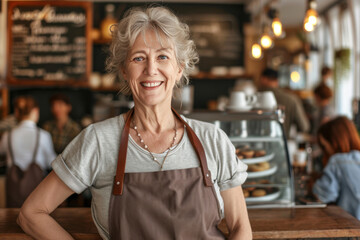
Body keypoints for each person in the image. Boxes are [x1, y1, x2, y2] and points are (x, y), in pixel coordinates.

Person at [17, 6, 252, 239]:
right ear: (125, 71)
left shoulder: (212, 139)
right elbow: (31, 214)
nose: (151, 69)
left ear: (179, 68)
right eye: (139, 58)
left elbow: (241, 227)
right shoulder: (98, 141)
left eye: (162, 57)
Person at [0, 96, 56, 207]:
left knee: (12, 220)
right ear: (35, 111)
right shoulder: (43, 135)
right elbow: (52, 162)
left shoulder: (7, 136)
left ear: (16, 112)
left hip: (13, 191)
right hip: (36, 189)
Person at [312, 116, 360, 220]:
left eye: (324, 147)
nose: (324, 152)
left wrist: (311, 184)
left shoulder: (337, 160)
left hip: (353, 230)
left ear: (334, 143)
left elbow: (322, 196)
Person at [258, 68, 310, 138]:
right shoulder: (291, 99)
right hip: (283, 144)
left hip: (258, 145)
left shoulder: (254, 98)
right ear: (277, 80)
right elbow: (304, 126)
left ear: (263, 79)